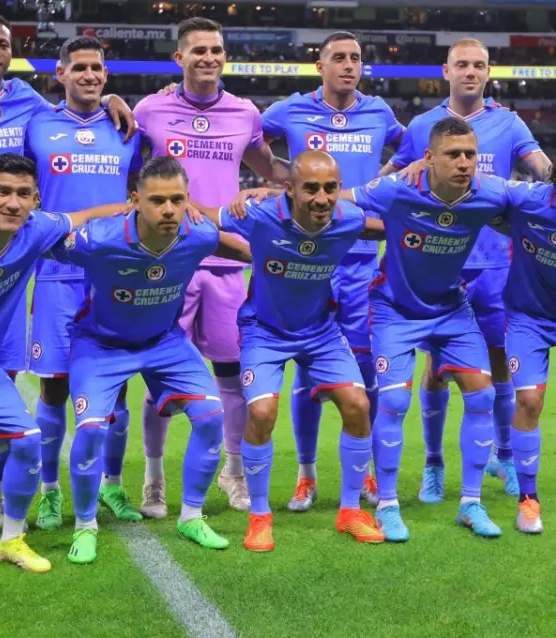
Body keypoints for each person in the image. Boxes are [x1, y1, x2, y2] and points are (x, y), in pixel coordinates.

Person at [0, 10, 136, 541]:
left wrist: (112, 98)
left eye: (2, 44)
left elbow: (78, 105)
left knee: (1, 379)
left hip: (14, 257)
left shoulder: (28, 103)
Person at [0, 152, 130, 568]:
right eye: (3, 192)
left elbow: (85, 216)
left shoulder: (36, 230)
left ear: (36, 200)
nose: (12, 203)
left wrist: (139, 208)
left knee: (28, 441)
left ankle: (11, 540)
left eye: (23, 194)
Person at [48, 157, 252, 563]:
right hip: (101, 345)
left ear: (188, 199)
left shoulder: (197, 234)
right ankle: (85, 526)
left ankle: (191, 516)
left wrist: (274, 259)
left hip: (164, 342)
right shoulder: (100, 239)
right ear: (136, 200)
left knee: (211, 417)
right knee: (90, 431)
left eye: (177, 199)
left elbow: (227, 245)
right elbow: (47, 241)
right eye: (157, 200)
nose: (169, 210)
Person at [236, 31, 404, 511]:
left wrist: (383, 182)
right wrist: (279, 179)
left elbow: (414, 148)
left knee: (362, 372)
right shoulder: (290, 109)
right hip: (301, 259)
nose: (349, 65)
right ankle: (305, 476)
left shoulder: (379, 113)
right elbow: (246, 141)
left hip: (359, 258)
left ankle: (364, 472)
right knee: (308, 373)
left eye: (356, 58)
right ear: (320, 65)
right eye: (339, 58)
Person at [381, 37, 552, 503]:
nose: (471, 72)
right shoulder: (423, 125)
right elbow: (391, 178)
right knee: (436, 370)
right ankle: (434, 465)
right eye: (462, 65)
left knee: (499, 366)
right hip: (440, 266)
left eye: (479, 65)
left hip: (497, 266)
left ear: (488, 72)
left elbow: (543, 168)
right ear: (446, 71)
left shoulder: (509, 122)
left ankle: (504, 456)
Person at [133, 17, 290, 518]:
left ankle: (234, 472)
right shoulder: (149, 110)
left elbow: (271, 169)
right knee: (158, 378)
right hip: (167, 264)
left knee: (232, 375)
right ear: (179, 58)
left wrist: (289, 183)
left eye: (216, 50)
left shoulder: (245, 112)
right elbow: (128, 174)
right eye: (198, 50)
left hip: (225, 266)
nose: (208, 58)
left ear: (225, 56)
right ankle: (153, 480)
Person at [193, 150, 386, 550]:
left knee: (358, 405)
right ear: (290, 189)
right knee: (262, 412)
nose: (321, 198)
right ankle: (260, 517)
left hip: (320, 331)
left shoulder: (348, 219)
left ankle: (351, 511)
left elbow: (384, 228)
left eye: (330, 188)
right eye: (310, 188)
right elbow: (205, 216)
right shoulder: (258, 215)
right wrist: (172, 200)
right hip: (264, 330)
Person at [343, 117, 515, 541]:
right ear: (429, 158)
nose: (463, 163)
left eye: (470, 154)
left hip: (451, 308)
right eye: (453, 154)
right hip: (395, 309)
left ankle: (470, 503)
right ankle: (387, 505)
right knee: (393, 401)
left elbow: (538, 201)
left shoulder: (490, 192)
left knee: (483, 394)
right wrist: (270, 195)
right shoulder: (397, 189)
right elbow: (334, 199)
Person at [24, 35, 143, 531]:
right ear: (61, 74)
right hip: (56, 273)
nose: (89, 75)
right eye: (80, 68)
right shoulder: (36, 124)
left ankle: (112, 485)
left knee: (117, 388)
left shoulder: (128, 128)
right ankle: (50, 492)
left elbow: (141, 192)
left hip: (113, 275)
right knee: (53, 386)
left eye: (97, 68)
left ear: (106, 75)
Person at [499, 173, 556, 534]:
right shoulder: (527, 199)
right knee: (529, 401)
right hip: (529, 317)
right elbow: (479, 186)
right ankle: (528, 501)